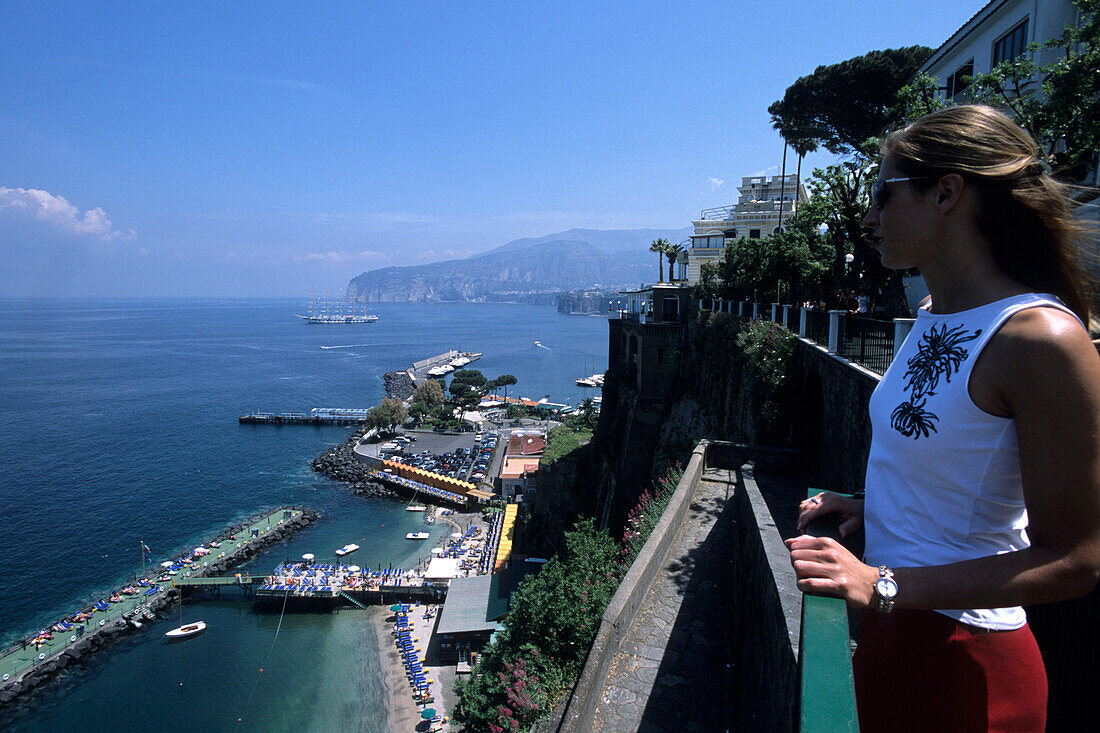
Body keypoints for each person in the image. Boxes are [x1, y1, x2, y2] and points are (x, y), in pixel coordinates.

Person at [787, 105, 1100, 731]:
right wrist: (870, 506)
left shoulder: (1039, 338)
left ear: (947, 193)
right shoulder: (935, 315)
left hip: (970, 670)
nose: (869, 218)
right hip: (895, 647)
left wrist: (884, 585)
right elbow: (959, 470)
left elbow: (1076, 559)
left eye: (884, 194)